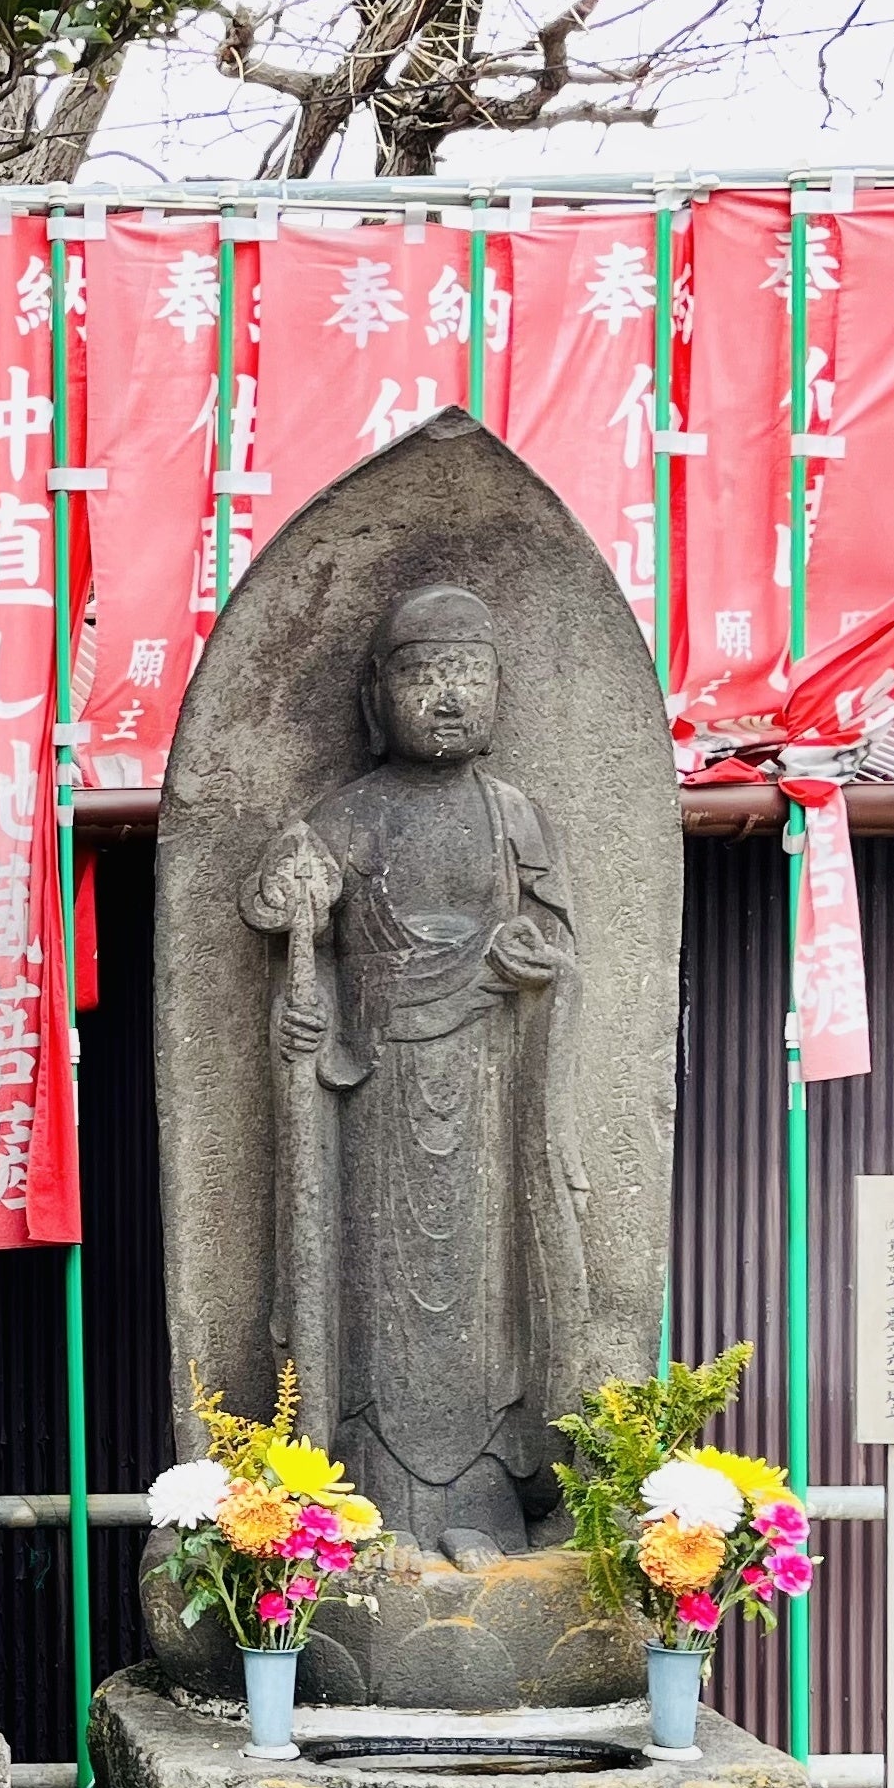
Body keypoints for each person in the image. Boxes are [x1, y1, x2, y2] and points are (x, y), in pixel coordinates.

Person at [254, 584, 589, 1564]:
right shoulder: (343, 819)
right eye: (424, 675)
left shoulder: (513, 818)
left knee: (484, 1302)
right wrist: (303, 1020)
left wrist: (539, 973)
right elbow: (297, 946)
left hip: (490, 1097)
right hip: (376, 1094)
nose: (448, 697)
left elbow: (563, 957)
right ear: (375, 696)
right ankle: (372, 1499)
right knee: (378, 1295)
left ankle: (482, 1499)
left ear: (499, 690)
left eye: (468, 675)